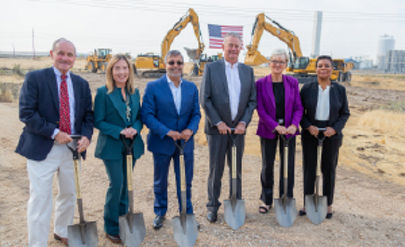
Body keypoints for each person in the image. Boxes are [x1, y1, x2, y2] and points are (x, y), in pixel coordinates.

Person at [15, 38, 93, 247]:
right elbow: (27, 113)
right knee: (41, 199)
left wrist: (86, 136)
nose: (65, 58)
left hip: (72, 149)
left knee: (69, 194)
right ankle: (37, 243)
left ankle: (62, 230)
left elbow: (88, 116)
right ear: (52, 54)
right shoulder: (35, 78)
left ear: (75, 59)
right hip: (43, 148)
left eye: (69, 55)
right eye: (61, 53)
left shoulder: (82, 84)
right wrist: (54, 132)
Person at [200, 32, 256, 223]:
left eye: (236, 46)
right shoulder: (211, 68)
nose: (233, 49)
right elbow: (205, 99)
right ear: (222, 47)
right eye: (230, 45)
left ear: (241, 48)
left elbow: (251, 101)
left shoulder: (247, 71)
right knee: (216, 170)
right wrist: (218, 122)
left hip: (238, 131)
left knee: (236, 169)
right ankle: (212, 206)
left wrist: (243, 123)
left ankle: (235, 203)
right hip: (217, 131)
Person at [141, 50, 201, 230]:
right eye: (172, 63)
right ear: (165, 64)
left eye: (179, 63)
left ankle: (187, 212)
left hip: (185, 142)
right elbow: (147, 115)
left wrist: (190, 129)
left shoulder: (191, 88)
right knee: (160, 180)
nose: (175, 66)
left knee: (185, 179)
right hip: (162, 142)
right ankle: (160, 212)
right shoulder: (153, 87)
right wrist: (167, 132)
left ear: (184, 65)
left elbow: (196, 114)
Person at [93, 54, 144, 243]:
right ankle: (111, 226)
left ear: (129, 71)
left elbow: (139, 118)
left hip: (131, 145)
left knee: (127, 185)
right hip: (112, 146)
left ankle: (124, 222)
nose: (121, 72)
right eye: (117, 68)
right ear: (111, 71)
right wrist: (120, 131)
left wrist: (135, 129)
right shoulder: (102, 93)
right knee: (117, 184)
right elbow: (98, 121)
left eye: (125, 68)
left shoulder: (134, 92)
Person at [299, 55, 350, 219]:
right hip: (310, 134)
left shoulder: (339, 90)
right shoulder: (307, 88)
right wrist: (308, 126)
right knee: (309, 169)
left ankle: (328, 205)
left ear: (332, 69)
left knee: (328, 169)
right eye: (320, 66)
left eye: (327, 66)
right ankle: (308, 203)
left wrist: (334, 129)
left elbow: (344, 114)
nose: (323, 68)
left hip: (331, 135)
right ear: (316, 69)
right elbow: (299, 112)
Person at [255, 49, 303, 214]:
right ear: (269, 63)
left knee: (287, 165)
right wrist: (275, 126)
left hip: (289, 130)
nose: (277, 64)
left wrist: (294, 125)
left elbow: (298, 107)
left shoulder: (292, 83)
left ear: (286, 65)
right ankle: (266, 200)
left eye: (281, 62)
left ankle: (286, 198)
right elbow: (260, 110)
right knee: (267, 165)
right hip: (269, 129)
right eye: (274, 61)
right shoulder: (260, 84)